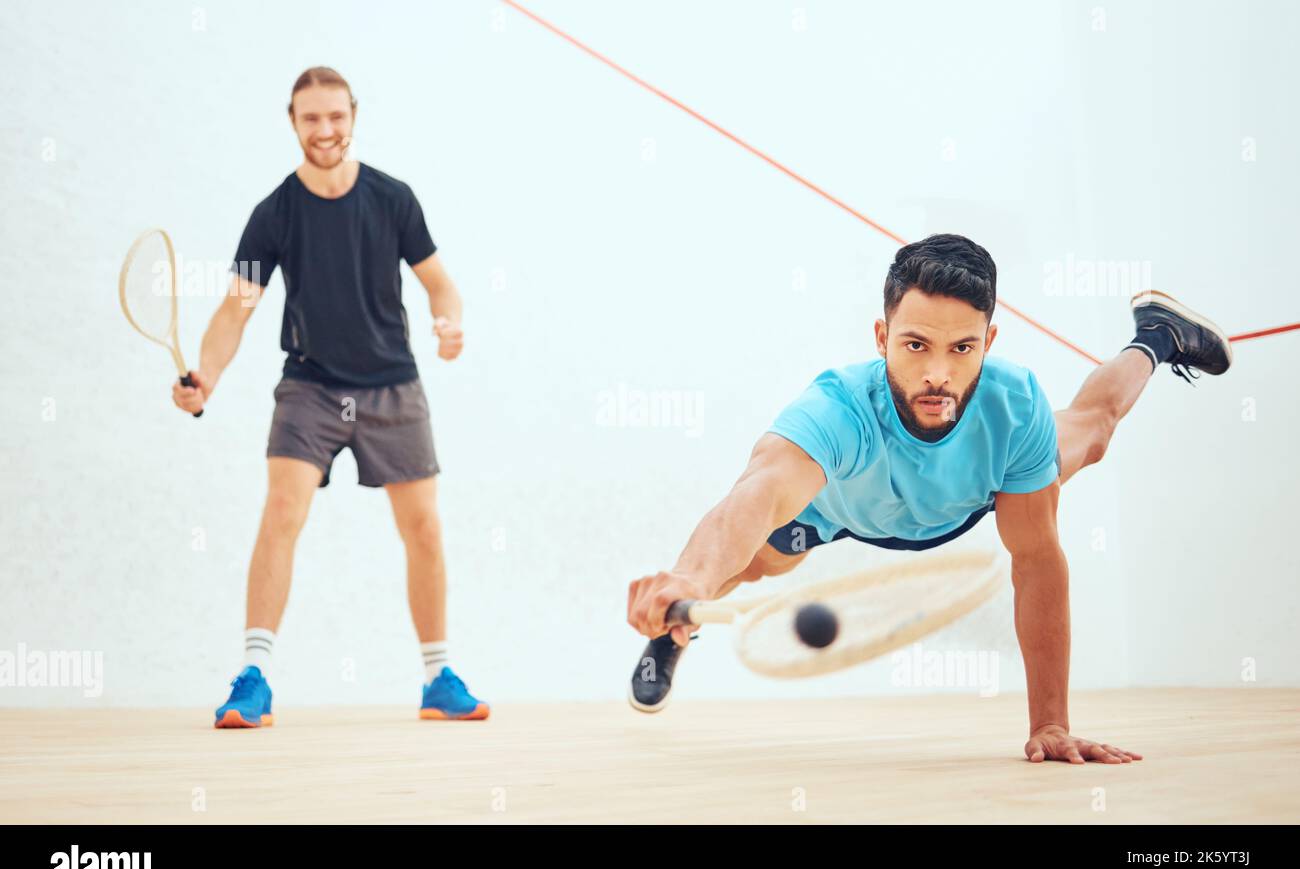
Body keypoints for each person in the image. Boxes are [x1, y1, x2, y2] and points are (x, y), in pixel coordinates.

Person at [626, 233, 1233, 763]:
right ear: (882, 335)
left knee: (1093, 431)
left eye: (962, 349)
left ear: (988, 341)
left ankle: (1157, 335)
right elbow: (754, 496)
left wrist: (1050, 724)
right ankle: (675, 623)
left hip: (974, 494)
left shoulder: (1014, 407)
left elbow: (1037, 560)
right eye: (916, 345)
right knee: (758, 560)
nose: (938, 374)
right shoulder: (835, 410)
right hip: (839, 510)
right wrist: (689, 580)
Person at [173, 67, 488, 727]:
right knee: (282, 511)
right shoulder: (273, 215)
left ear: (353, 116)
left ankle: (438, 678)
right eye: (311, 118)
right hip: (310, 386)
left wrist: (450, 322)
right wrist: (207, 376)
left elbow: (439, 283)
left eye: (336, 117)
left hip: (392, 384)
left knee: (424, 527)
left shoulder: (393, 199)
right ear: (293, 121)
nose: (325, 130)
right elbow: (237, 310)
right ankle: (252, 677)